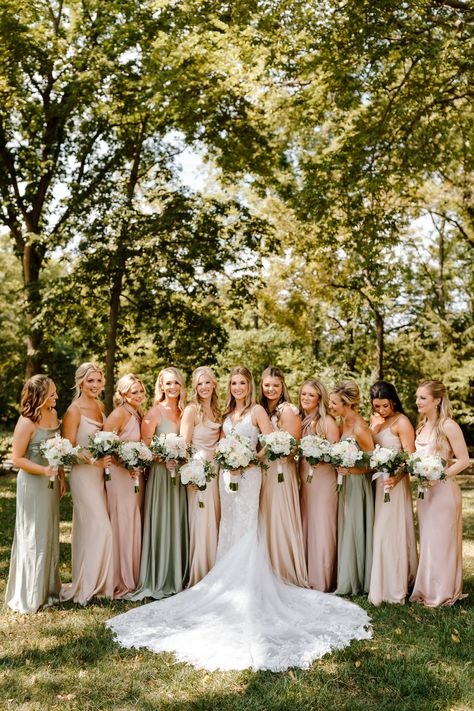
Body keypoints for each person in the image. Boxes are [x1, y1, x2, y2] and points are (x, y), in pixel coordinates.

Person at [106, 366, 371, 672]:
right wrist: (226, 457)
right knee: (228, 526)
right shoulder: (226, 414)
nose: (237, 387)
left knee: (247, 526)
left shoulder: (257, 410)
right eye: (233, 383)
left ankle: (247, 584)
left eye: (242, 383)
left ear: (249, 385)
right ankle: (224, 581)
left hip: (249, 475)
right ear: (228, 387)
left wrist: (250, 459)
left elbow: (273, 443)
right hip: (225, 476)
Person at [128, 367, 188, 600]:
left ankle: (179, 574)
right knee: (163, 520)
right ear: (161, 386)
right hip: (161, 476)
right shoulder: (154, 412)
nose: (172, 387)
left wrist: (179, 457)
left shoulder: (185, 411)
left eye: (176, 383)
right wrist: (164, 457)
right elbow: (145, 447)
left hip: (179, 475)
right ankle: (160, 575)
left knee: (178, 519)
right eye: (168, 384)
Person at [6, 375, 65, 613]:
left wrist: (62, 477)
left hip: (51, 483)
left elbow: (59, 451)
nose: (56, 397)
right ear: (39, 396)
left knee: (49, 532)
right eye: (51, 394)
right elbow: (17, 458)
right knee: (33, 535)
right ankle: (30, 594)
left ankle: (48, 590)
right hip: (33, 484)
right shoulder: (26, 422)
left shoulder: (53, 415)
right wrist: (43, 470)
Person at [410, 380, 469, 607]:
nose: (417, 402)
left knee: (441, 541)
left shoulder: (448, 426)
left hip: (444, 492)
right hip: (424, 493)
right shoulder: (422, 425)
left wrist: (440, 476)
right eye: (417, 397)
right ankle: (426, 588)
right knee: (428, 541)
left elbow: (463, 460)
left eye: (422, 398)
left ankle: (442, 593)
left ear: (437, 401)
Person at [60, 362, 114, 604]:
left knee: (91, 529)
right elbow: (67, 449)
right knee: (100, 527)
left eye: (98, 381)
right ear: (80, 382)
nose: (95, 385)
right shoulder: (74, 410)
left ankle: (96, 583)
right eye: (90, 381)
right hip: (83, 475)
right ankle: (89, 586)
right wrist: (94, 461)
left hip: (100, 475)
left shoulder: (100, 405)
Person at [368, 381, 418, 606]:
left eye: (384, 406)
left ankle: (394, 587)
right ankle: (380, 581)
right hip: (378, 484)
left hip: (394, 485)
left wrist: (396, 478)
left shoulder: (402, 422)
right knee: (379, 530)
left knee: (390, 532)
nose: (380, 410)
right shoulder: (376, 420)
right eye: (376, 406)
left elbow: (410, 456)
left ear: (394, 402)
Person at [259, 366, 307, 586]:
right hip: (261, 471)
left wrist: (278, 449)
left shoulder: (288, 410)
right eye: (267, 385)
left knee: (279, 515)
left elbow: (293, 446)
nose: (271, 389)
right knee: (264, 517)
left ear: (282, 386)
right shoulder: (259, 409)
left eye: (275, 385)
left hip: (280, 471)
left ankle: (283, 571)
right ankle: (264, 567)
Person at [329, 380, 374, 596]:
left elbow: (373, 463)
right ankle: (346, 575)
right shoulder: (341, 424)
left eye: (334, 402)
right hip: (345, 483)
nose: (330, 406)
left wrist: (352, 471)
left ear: (346, 403)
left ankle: (357, 580)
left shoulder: (360, 428)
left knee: (355, 527)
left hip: (358, 485)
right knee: (346, 527)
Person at [104, 374, 146, 597]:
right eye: (133, 392)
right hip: (121, 477)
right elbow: (105, 445)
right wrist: (125, 463)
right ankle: (121, 579)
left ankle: (135, 574)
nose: (138, 395)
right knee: (122, 523)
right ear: (123, 395)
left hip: (135, 476)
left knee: (133, 521)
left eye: (140, 391)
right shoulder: (119, 414)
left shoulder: (138, 413)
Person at [180, 366, 221, 586]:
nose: (204, 387)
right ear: (195, 387)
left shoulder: (219, 409)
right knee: (201, 521)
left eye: (207, 382)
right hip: (198, 472)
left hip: (217, 472)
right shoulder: (191, 410)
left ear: (214, 384)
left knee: (215, 520)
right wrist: (191, 474)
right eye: (199, 383)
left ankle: (215, 570)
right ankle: (200, 575)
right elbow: (184, 445)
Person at [299, 378, 339, 591]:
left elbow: (335, 453)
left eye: (311, 395)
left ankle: (322, 579)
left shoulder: (326, 422)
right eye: (303, 394)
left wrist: (319, 454)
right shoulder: (302, 419)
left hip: (323, 481)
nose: (306, 398)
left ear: (319, 399)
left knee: (322, 526)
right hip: (306, 480)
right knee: (308, 524)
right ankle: (306, 574)